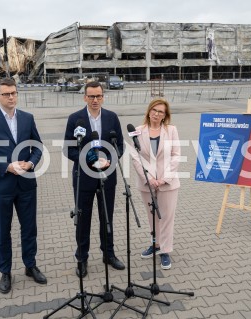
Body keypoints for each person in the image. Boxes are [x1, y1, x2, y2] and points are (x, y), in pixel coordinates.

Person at [0, 77, 47, 294]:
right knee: (2, 231)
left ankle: (30, 265)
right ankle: (5, 272)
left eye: (13, 92)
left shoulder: (27, 118)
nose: (11, 97)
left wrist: (31, 162)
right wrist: (6, 166)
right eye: (6, 94)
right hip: (0, 187)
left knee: (29, 228)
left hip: (26, 184)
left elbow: (38, 146)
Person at [63, 81, 125, 278]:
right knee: (83, 218)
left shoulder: (112, 117)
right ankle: (82, 257)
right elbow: (68, 148)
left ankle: (109, 254)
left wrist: (109, 160)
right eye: (91, 96)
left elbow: (120, 145)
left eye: (99, 96)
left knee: (107, 216)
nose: (95, 100)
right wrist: (88, 159)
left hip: (107, 175)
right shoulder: (75, 119)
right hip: (84, 178)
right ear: (85, 97)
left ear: (103, 96)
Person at [131, 98, 181, 270]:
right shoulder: (138, 131)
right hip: (147, 183)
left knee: (166, 217)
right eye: (154, 110)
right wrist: (149, 179)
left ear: (165, 115)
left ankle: (165, 250)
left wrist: (164, 179)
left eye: (161, 112)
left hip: (168, 183)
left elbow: (176, 155)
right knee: (152, 216)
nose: (157, 114)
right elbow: (136, 157)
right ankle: (156, 244)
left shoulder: (171, 130)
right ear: (149, 111)